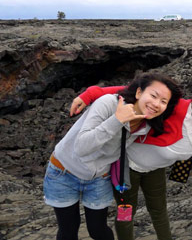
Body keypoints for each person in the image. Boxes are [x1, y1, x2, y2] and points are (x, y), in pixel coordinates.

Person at [69, 75, 192, 240]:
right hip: (128, 165)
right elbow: (131, 92)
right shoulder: (175, 106)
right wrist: (89, 94)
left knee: (159, 210)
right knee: (126, 212)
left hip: (155, 169)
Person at [44, 73, 181, 240]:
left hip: (102, 177)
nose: (156, 104)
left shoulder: (148, 123)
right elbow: (81, 148)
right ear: (139, 93)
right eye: (153, 96)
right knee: (68, 230)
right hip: (64, 172)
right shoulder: (109, 104)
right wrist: (116, 119)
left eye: (163, 101)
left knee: (99, 230)